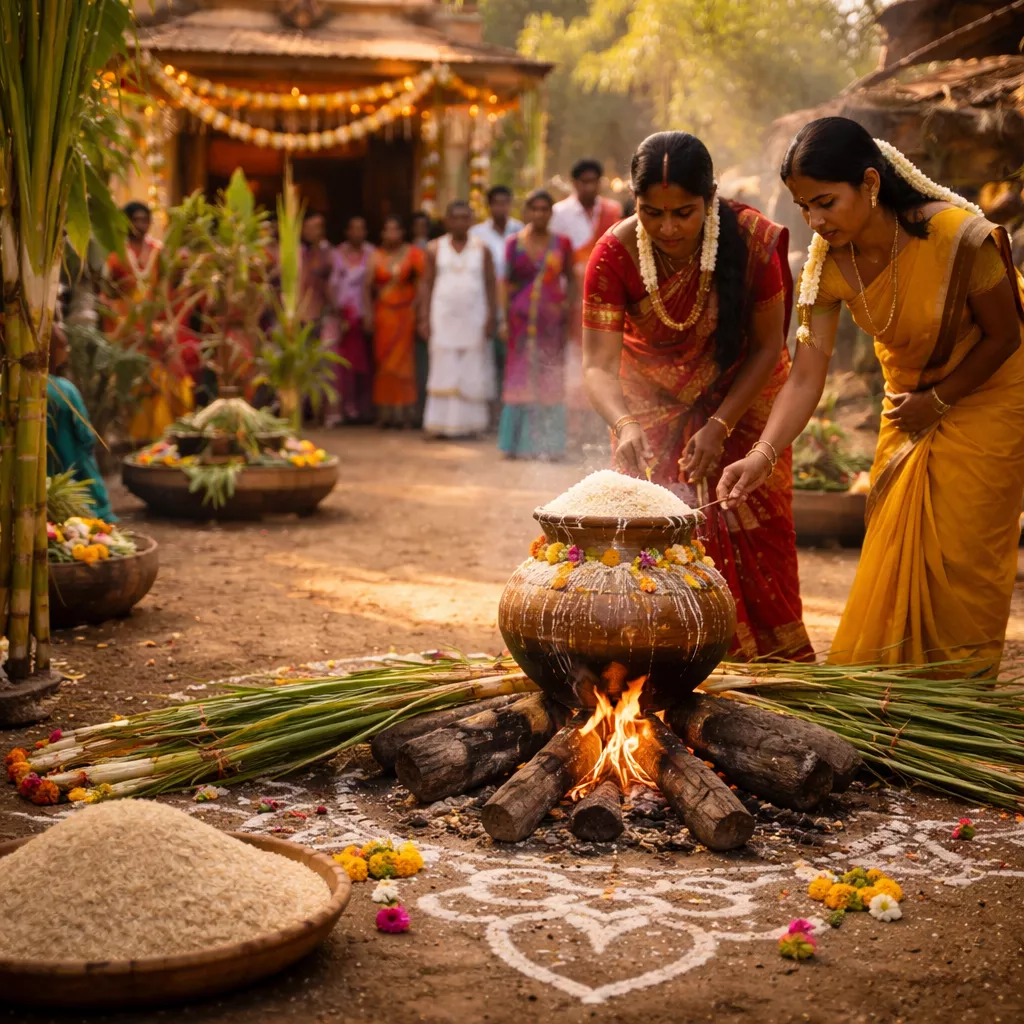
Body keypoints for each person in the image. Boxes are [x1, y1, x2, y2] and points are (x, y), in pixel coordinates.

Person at [719, 117, 1024, 676]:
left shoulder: (961, 238)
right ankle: (897, 699)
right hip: (909, 402)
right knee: (894, 548)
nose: (815, 220)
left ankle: (956, 698)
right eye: (804, 206)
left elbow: (1008, 336)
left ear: (871, 183)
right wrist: (762, 454)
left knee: (962, 558)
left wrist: (941, 400)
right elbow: (807, 377)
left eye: (826, 202)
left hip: (991, 394)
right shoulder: (826, 267)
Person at [582, 132, 812, 661]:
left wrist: (721, 426)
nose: (666, 228)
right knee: (658, 545)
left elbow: (767, 347)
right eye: (650, 212)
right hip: (649, 410)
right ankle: (667, 667)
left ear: (710, 197)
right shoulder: (614, 254)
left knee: (760, 530)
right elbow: (596, 368)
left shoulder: (753, 241)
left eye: (683, 212)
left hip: (746, 404)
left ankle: (771, 673)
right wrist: (624, 425)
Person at [104, 201, 195, 444]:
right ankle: (134, 436)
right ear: (126, 222)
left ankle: (165, 432)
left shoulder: (160, 251)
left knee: (169, 368)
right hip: (126, 326)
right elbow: (107, 294)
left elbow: (170, 291)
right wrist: (120, 323)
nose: (141, 225)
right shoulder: (115, 253)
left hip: (155, 323)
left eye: (145, 220)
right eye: (136, 220)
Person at [551, 159, 623, 450]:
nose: (588, 187)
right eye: (583, 182)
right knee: (574, 363)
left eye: (593, 181)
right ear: (574, 183)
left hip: (607, 295)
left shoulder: (613, 211)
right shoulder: (560, 214)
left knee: (607, 360)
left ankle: (600, 431)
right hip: (573, 299)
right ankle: (574, 431)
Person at [498, 190, 574, 460]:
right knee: (518, 379)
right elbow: (505, 283)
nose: (540, 214)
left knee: (550, 378)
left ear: (551, 213)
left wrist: (568, 311)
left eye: (545, 209)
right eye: (535, 209)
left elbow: (572, 281)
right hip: (519, 325)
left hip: (552, 325)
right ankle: (515, 445)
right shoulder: (513, 243)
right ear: (527, 212)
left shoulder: (562, 243)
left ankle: (551, 447)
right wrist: (503, 319)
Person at [420, 200, 497, 439]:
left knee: (472, 366)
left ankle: (470, 426)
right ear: (447, 221)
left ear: (471, 220)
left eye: (466, 217)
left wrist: (491, 316)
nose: (461, 222)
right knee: (443, 366)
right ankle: (439, 425)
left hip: (474, 316)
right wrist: (423, 318)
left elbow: (490, 284)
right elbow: (426, 284)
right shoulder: (434, 248)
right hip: (442, 316)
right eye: (456, 217)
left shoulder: (482, 248)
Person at [47, 323, 117, 524]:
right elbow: (85, 435)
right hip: (73, 471)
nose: (67, 353)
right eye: (64, 348)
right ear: (54, 351)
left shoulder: (15, 387)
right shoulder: (63, 389)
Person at [364, 215, 425, 428]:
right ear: (382, 234)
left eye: (395, 230)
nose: (391, 234)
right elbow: (367, 287)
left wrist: (418, 309)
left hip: (405, 315)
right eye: (387, 230)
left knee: (404, 365)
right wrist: (368, 314)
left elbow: (423, 284)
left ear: (402, 232)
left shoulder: (413, 254)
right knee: (383, 363)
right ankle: (385, 413)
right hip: (383, 315)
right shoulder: (376, 256)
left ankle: (405, 414)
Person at [471, 185, 525, 418]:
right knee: (487, 356)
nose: (500, 208)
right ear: (489, 206)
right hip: (485, 301)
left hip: (516, 302)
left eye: (505, 202)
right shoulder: (477, 234)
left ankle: (510, 411)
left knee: (512, 357)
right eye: (496, 203)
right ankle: (490, 412)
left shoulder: (521, 231)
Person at [329, 216, 375, 425]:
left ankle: (363, 409)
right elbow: (332, 286)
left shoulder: (372, 253)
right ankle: (345, 408)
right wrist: (339, 314)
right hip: (343, 314)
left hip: (364, 314)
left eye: (361, 228)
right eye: (353, 228)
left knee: (365, 362)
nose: (357, 232)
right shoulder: (336, 254)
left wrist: (369, 312)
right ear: (347, 232)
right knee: (343, 364)